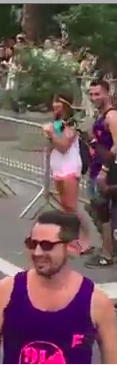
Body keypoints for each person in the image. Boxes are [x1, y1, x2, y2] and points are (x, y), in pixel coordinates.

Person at [0, 210, 117, 364]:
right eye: (32, 244)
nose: (37, 252)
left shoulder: (96, 303)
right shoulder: (7, 291)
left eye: (47, 245)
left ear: (72, 247)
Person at [42, 93, 92, 255]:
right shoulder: (56, 123)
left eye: (58, 102)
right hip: (57, 167)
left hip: (70, 167)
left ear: (66, 104)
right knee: (64, 206)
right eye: (54, 101)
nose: (55, 105)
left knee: (71, 207)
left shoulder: (72, 123)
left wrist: (50, 134)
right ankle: (71, 239)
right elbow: (54, 145)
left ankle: (85, 240)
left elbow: (63, 145)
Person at [84, 79, 117, 268]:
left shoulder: (111, 116)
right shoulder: (101, 115)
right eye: (91, 94)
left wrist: (104, 171)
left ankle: (107, 253)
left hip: (106, 171)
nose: (94, 97)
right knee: (97, 208)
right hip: (97, 167)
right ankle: (109, 247)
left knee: (103, 212)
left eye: (98, 94)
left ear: (107, 93)